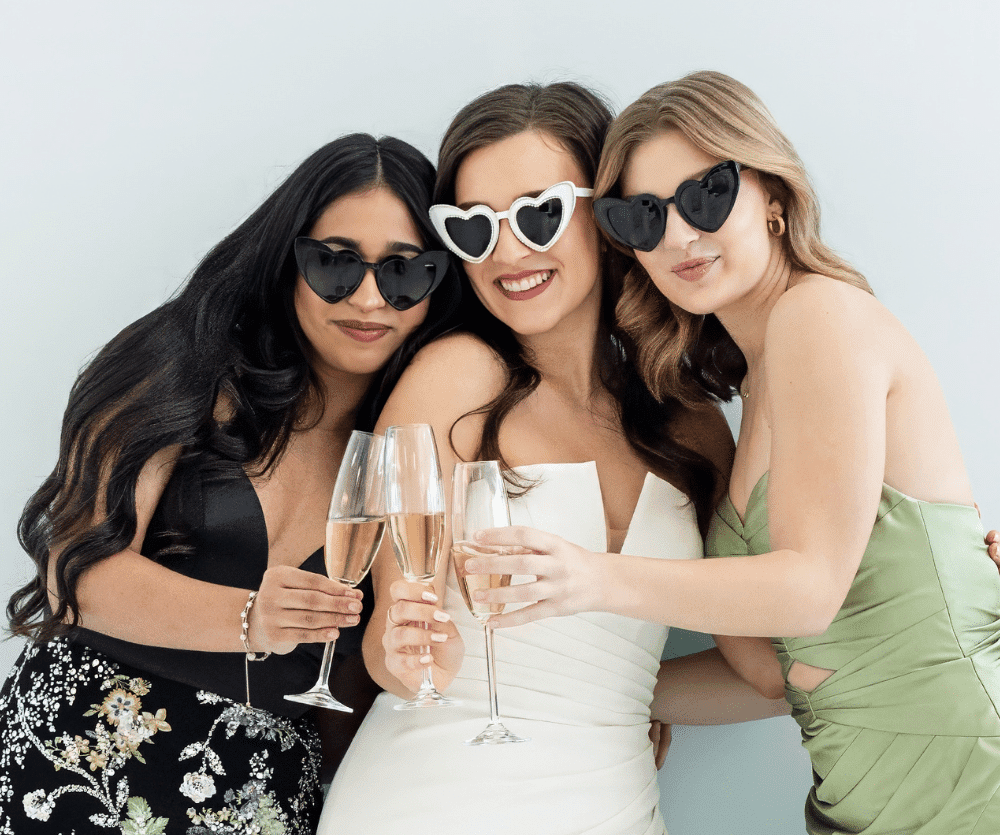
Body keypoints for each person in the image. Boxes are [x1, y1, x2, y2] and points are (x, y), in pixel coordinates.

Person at [471, 71, 1000, 834]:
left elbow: (810, 593)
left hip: (970, 774)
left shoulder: (820, 316)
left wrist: (590, 579)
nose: (679, 234)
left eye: (706, 195)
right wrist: (592, 691)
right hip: (861, 796)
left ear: (774, 197)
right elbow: (767, 674)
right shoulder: (738, 403)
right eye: (642, 216)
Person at [318, 83, 782, 835]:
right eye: (473, 230)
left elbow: (766, 675)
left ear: (604, 218)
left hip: (613, 803)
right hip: (432, 797)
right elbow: (393, 640)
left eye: (539, 215)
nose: (508, 251)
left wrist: (959, 597)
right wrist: (404, 647)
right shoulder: (453, 378)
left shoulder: (693, 422)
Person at [0, 134, 460, 834]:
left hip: (260, 794)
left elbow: (364, 681)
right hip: (81, 755)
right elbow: (75, 567)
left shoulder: (417, 441)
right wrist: (250, 620)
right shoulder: (185, 362)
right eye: (334, 264)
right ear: (287, 260)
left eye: (404, 273)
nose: (370, 298)